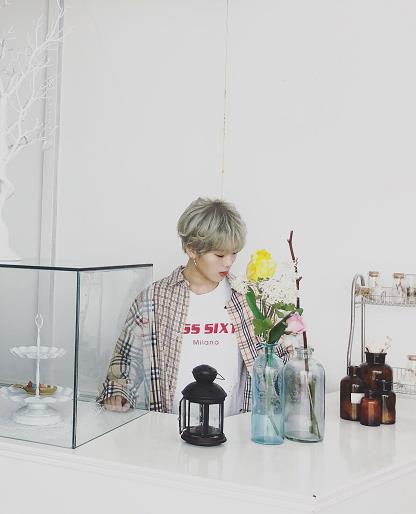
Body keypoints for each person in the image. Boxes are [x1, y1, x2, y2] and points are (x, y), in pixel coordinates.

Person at [98, 197, 291, 414]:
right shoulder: (155, 298)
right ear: (192, 249)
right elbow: (126, 359)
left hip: (236, 428)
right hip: (170, 428)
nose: (229, 262)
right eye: (219, 254)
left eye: (234, 253)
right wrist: (118, 392)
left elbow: (280, 358)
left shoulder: (247, 298)